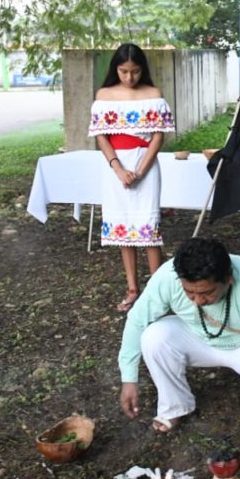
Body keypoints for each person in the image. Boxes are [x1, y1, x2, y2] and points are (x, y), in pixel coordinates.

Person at [118, 237, 240, 452]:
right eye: (189, 292)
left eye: (206, 293)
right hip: (197, 335)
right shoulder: (168, 277)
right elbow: (137, 320)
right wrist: (129, 378)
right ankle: (174, 407)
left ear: (228, 278)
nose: (197, 300)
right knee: (153, 337)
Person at [89, 43, 175, 311]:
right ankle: (133, 289)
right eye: (124, 72)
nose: (129, 78)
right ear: (116, 69)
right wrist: (118, 168)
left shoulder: (153, 94)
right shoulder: (104, 94)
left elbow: (159, 135)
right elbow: (101, 136)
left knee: (149, 228)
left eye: (135, 72)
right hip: (115, 165)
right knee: (123, 227)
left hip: (145, 164)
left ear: (143, 70)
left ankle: (157, 291)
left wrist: (140, 170)